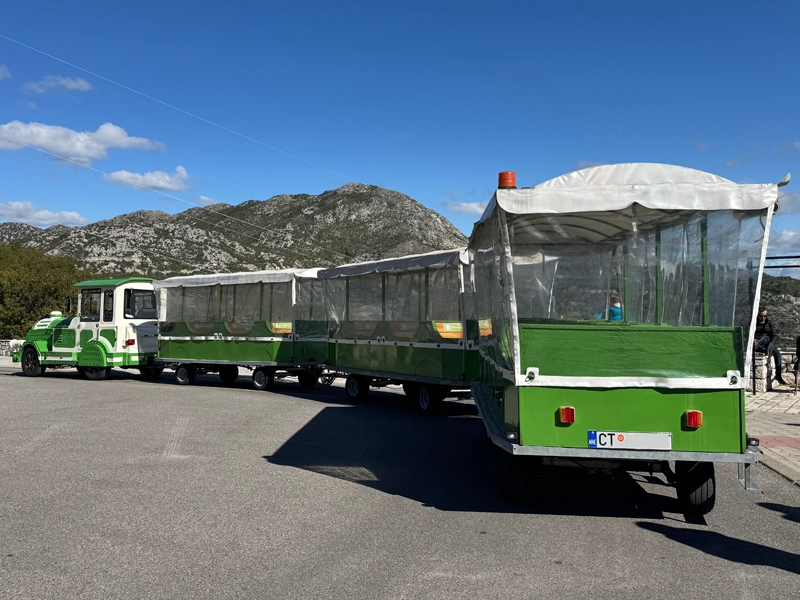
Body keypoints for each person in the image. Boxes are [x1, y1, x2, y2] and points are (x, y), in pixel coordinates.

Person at [754, 307, 787, 385]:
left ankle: (778, 375)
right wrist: (752, 339)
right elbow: (746, 334)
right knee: (763, 350)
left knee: (777, 353)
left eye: (765, 316)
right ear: (757, 315)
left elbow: (774, 335)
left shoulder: (769, 323)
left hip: (768, 344)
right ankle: (767, 351)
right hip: (758, 345)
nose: (763, 318)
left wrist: (771, 343)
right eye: (761, 316)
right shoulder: (753, 324)